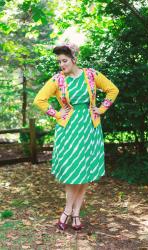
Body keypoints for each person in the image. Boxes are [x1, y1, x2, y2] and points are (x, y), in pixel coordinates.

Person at [32, 41, 119, 231]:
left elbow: (113, 90)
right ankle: (67, 211)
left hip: (90, 128)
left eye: (64, 61)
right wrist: (55, 113)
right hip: (69, 131)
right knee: (73, 172)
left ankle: (76, 213)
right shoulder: (58, 80)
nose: (61, 65)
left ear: (74, 59)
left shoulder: (91, 75)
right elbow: (39, 99)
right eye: (59, 62)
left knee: (84, 171)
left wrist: (102, 108)